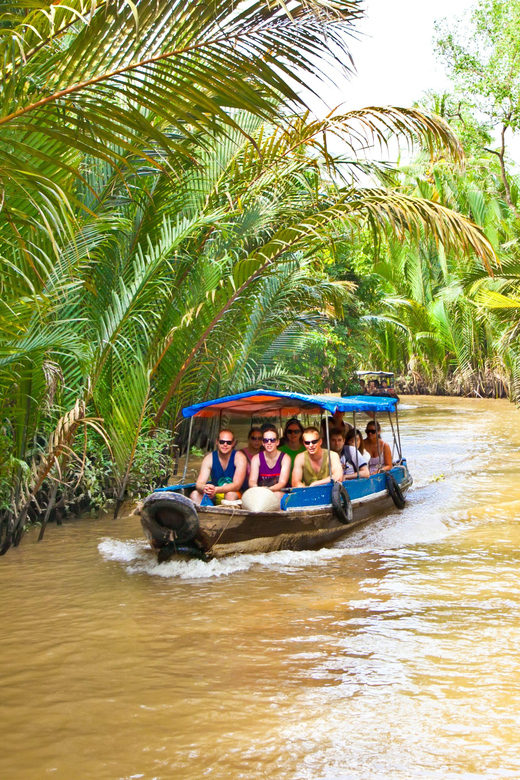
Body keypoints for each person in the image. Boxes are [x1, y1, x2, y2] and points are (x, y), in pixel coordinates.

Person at [190, 429, 247, 505]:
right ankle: (206, 515)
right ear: (217, 442)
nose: (225, 445)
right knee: (194, 494)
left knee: (230, 495)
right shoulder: (209, 458)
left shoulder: (239, 457)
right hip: (215, 493)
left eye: (228, 442)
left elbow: (237, 485)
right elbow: (199, 483)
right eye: (222, 442)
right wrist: (205, 488)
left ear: (233, 443)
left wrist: (217, 489)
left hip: (234, 494)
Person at [248, 425, 291, 501]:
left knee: (276, 495)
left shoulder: (285, 458)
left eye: (272, 440)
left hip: (280, 492)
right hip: (261, 492)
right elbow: (252, 481)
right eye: (266, 440)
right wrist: (257, 489)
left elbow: (282, 483)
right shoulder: (256, 458)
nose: (269, 443)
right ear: (262, 443)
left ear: (277, 442)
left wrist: (268, 490)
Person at [240, 426, 263, 490]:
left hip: (262, 487)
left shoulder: (265, 453)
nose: (257, 441)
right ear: (249, 439)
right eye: (254, 438)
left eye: (260, 438)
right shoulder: (241, 453)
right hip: (243, 487)